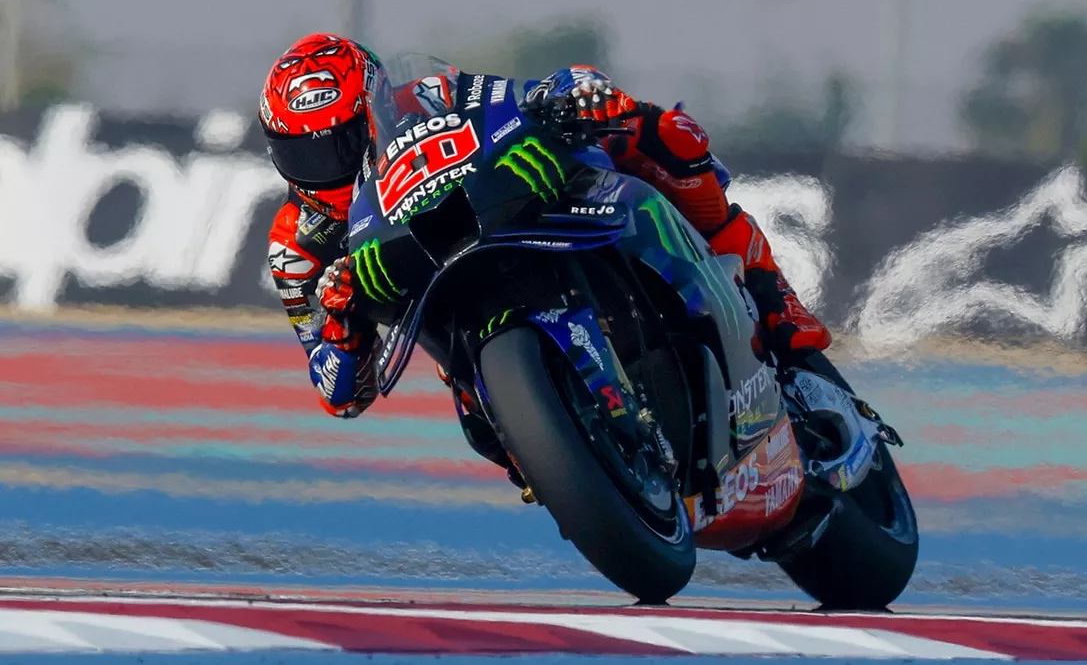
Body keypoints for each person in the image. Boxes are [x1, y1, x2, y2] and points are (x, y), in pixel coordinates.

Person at [259, 33, 840, 444]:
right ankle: (555, 452)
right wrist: (339, 327)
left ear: (374, 108)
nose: (322, 171)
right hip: (451, 318)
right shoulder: (295, 249)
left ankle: (773, 297)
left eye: (338, 146)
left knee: (659, 132)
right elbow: (339, 395)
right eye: (300, 154)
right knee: (485, 430)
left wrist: (572, 92)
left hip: (505, 217)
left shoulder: (427, 96)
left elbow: (521, 97)